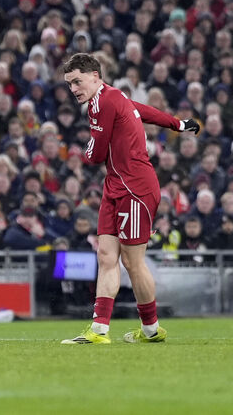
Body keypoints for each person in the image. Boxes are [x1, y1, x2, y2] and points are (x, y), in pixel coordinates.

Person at [61, 53, 199, 344]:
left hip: (135, 187)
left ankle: (151, 329)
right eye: (69, 84)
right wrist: (177, 124)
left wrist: (84, 152)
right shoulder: (112, 96)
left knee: (133, 262)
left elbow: (96, 154)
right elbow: (141, 110)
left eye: (77, 81)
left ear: (95, 76)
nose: (73, 89)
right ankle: (99, 330)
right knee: (106, 256)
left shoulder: (104, 102)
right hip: (116, 185)